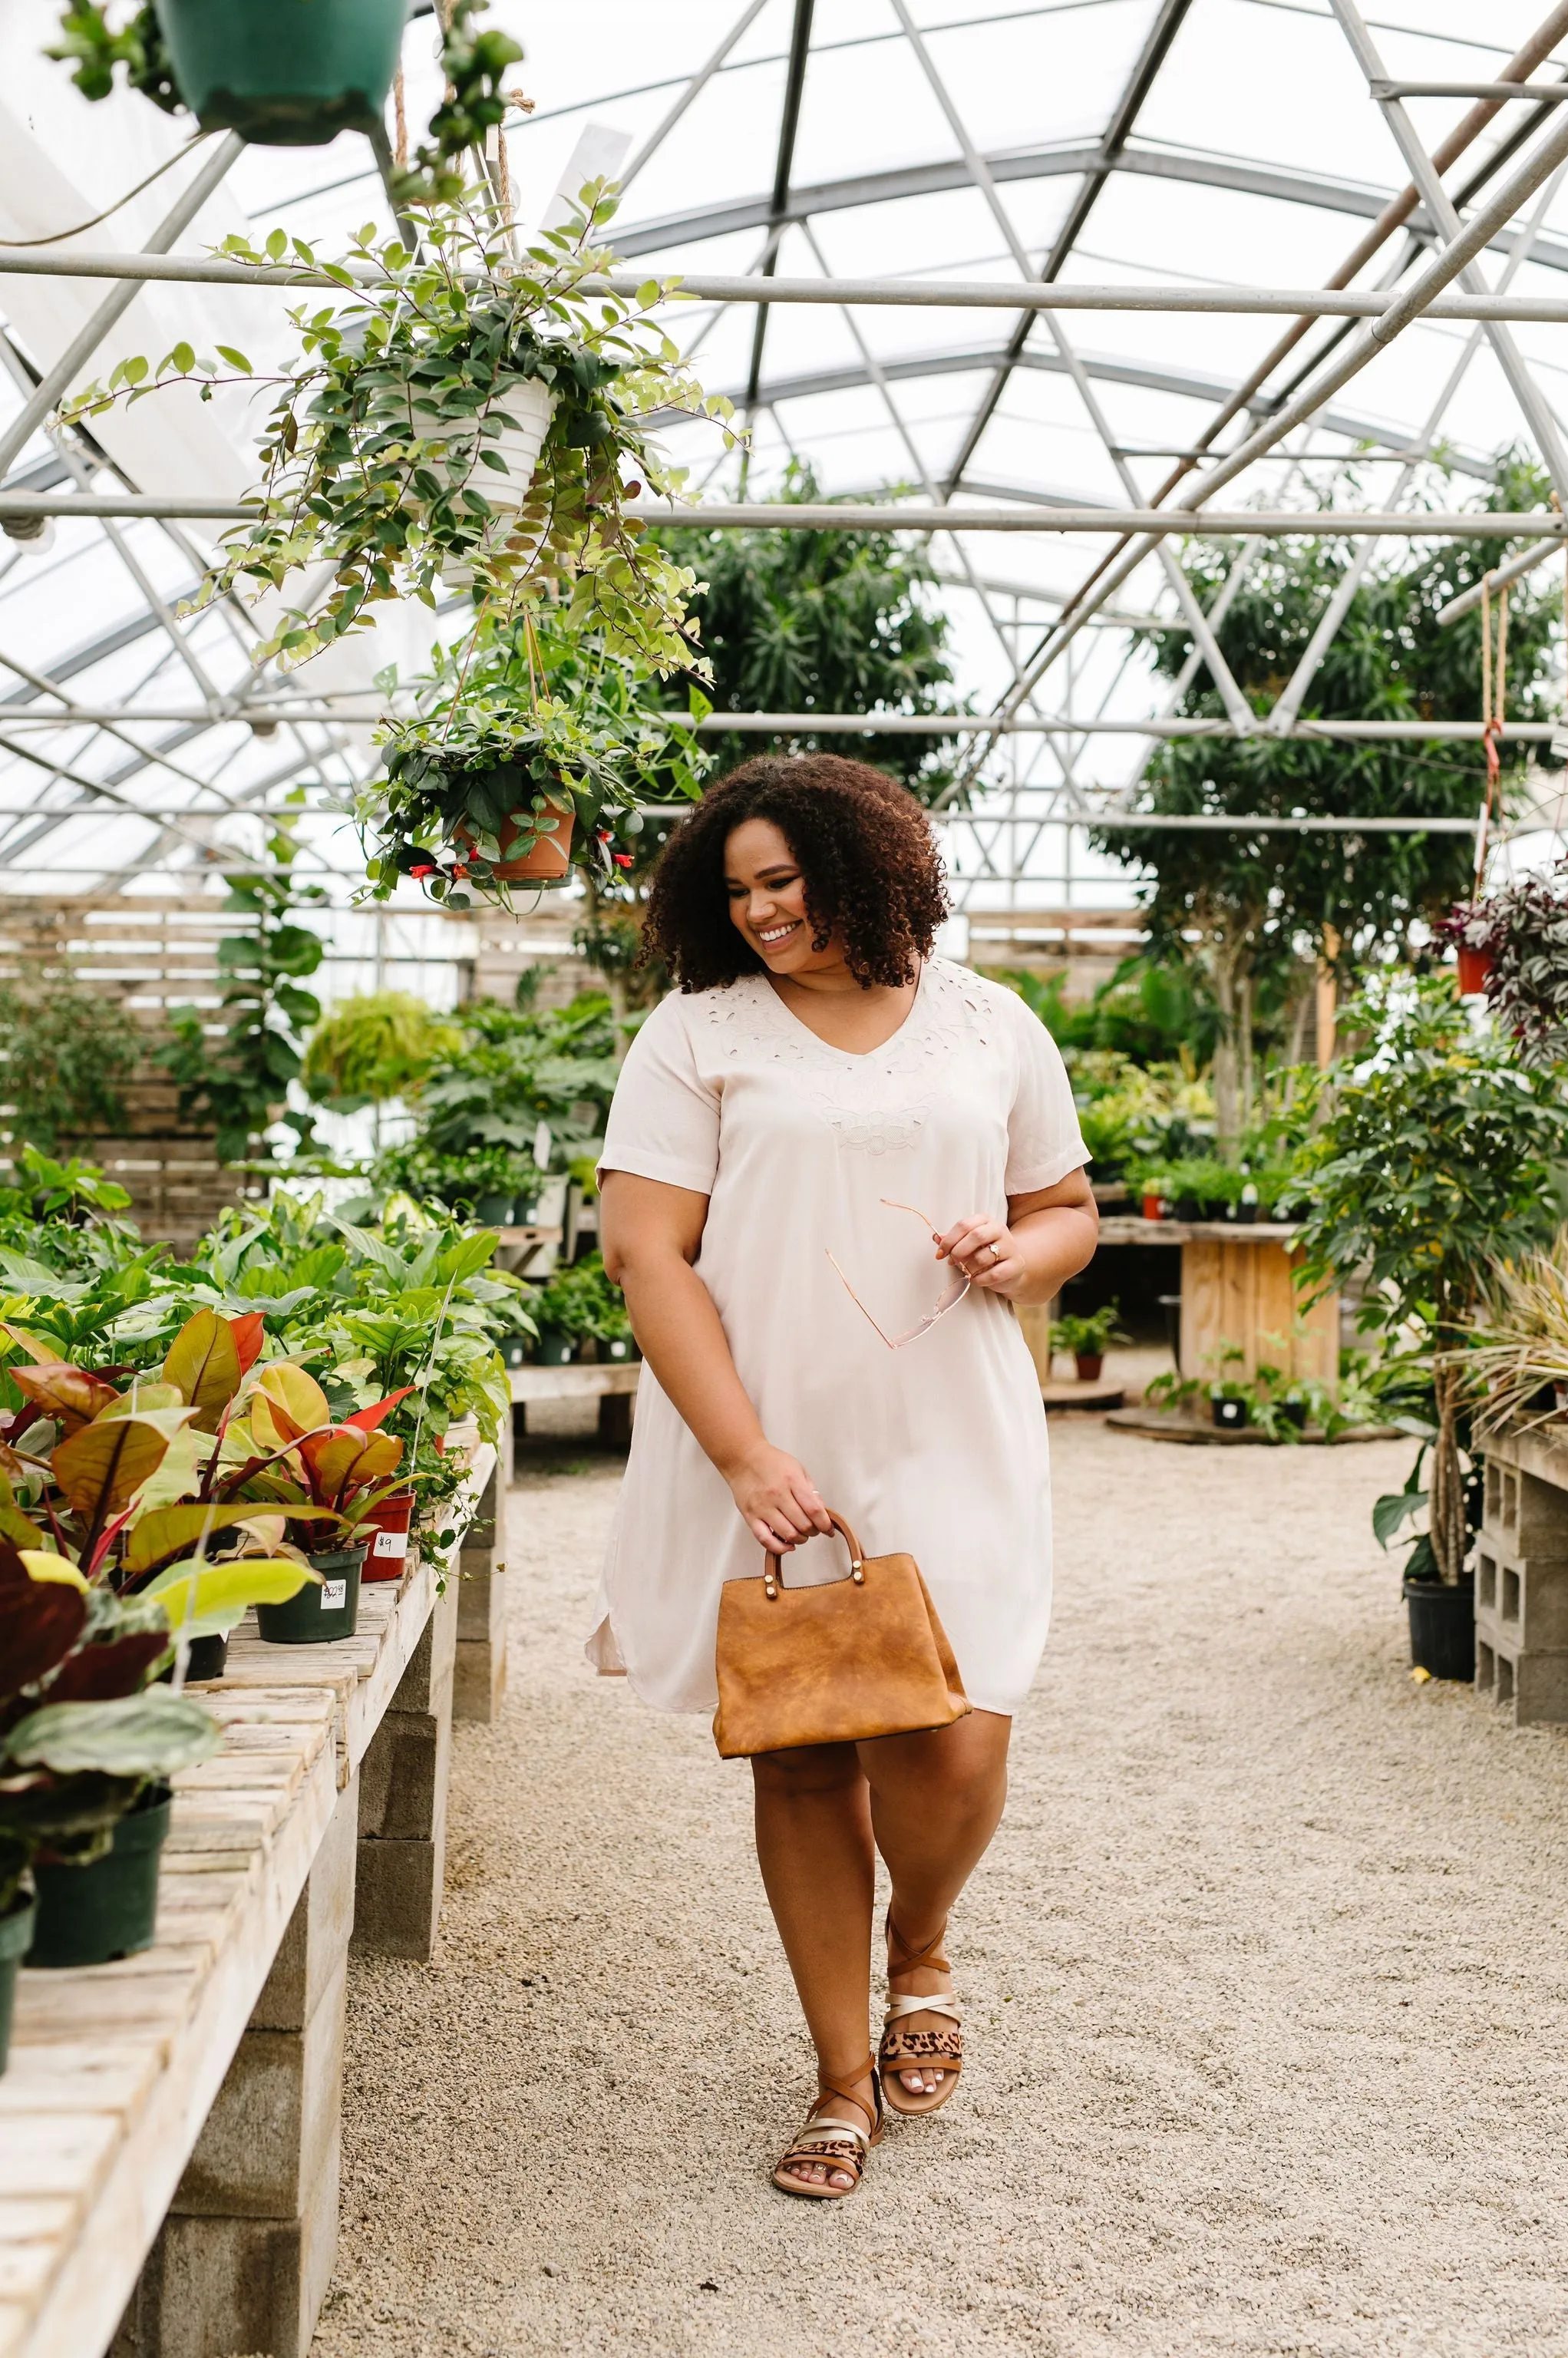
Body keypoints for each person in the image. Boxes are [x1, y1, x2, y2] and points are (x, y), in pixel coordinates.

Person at [591, 753, 1098, 2198]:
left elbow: (1065, 1206)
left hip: (957, 1427)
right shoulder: (699, 1035)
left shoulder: (989, 1021)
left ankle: (921, 1946)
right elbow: (646, 1253)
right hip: (769, 1445)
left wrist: (1027, 1252)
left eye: (785, 882)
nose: (759, 912)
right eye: (737, 889)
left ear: (865, 865)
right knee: (808, 1751)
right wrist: (743, 1452)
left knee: (955, 1734)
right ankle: (835, 2081)